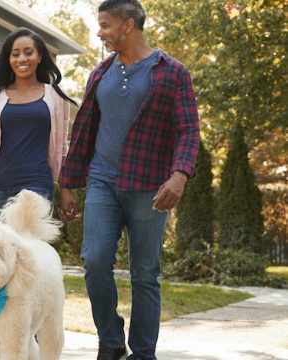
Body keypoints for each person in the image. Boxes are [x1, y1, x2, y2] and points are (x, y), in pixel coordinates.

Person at [58, 1, 200, 359]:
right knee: (94, 260)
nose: (99, 33)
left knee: (145, 274)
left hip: (150, 186)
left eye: (105, 25)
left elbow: (187, 130)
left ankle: (143, 352)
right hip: (103, 181)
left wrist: (179, 175)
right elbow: (84, 131)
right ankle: (110, 339)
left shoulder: (172, 72)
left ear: (127, 25)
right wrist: (68, 184)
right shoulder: (100, 72)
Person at [0, 27, 77, 212]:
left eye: (28, 53)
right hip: (0, 185)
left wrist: (65, 189)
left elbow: (62, 148)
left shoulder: (56, 96)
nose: (21, 59)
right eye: (15, 54)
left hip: (37, 185)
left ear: (40, 56)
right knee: (1, 241)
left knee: (31, 241)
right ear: (9, 59)